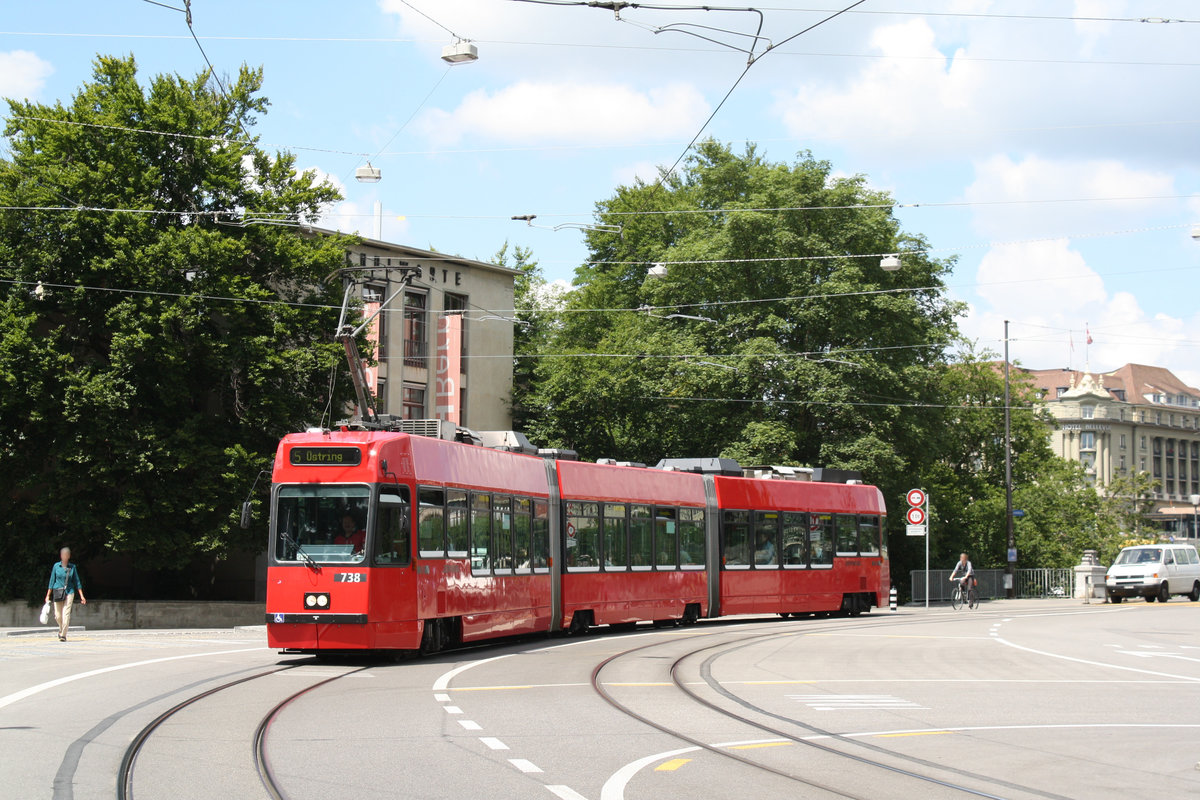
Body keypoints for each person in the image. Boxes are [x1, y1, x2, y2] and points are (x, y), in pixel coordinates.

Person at [44, 547, 86, 642]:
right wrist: (48, 595)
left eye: (67, 554)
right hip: (57, 592)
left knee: (65, 614)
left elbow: (77, 581)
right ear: (61, 556)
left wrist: (82, 596)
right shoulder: (56, 566)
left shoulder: (72, 567)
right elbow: (51, 581)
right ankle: (61, 629)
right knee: (57, 616)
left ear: (69, 556)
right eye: (63, 554)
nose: (65, 556)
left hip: (69, 592)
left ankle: (63, 635)